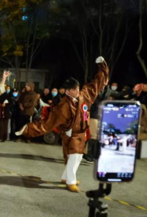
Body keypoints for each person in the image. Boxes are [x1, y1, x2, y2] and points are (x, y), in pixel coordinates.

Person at [17, 58, 110, 192]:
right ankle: (70, 181)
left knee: (77, 157)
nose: (77, 91)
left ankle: (66, 177)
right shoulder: (63, 105)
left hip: (82, 131)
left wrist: (102, 67)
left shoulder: (85, 95)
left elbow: (97, 83)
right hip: (70, 132)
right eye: (74, 89)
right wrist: (29, 128)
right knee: (73, 156)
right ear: (67, 91)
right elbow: (48, 123)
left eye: (77, 88)